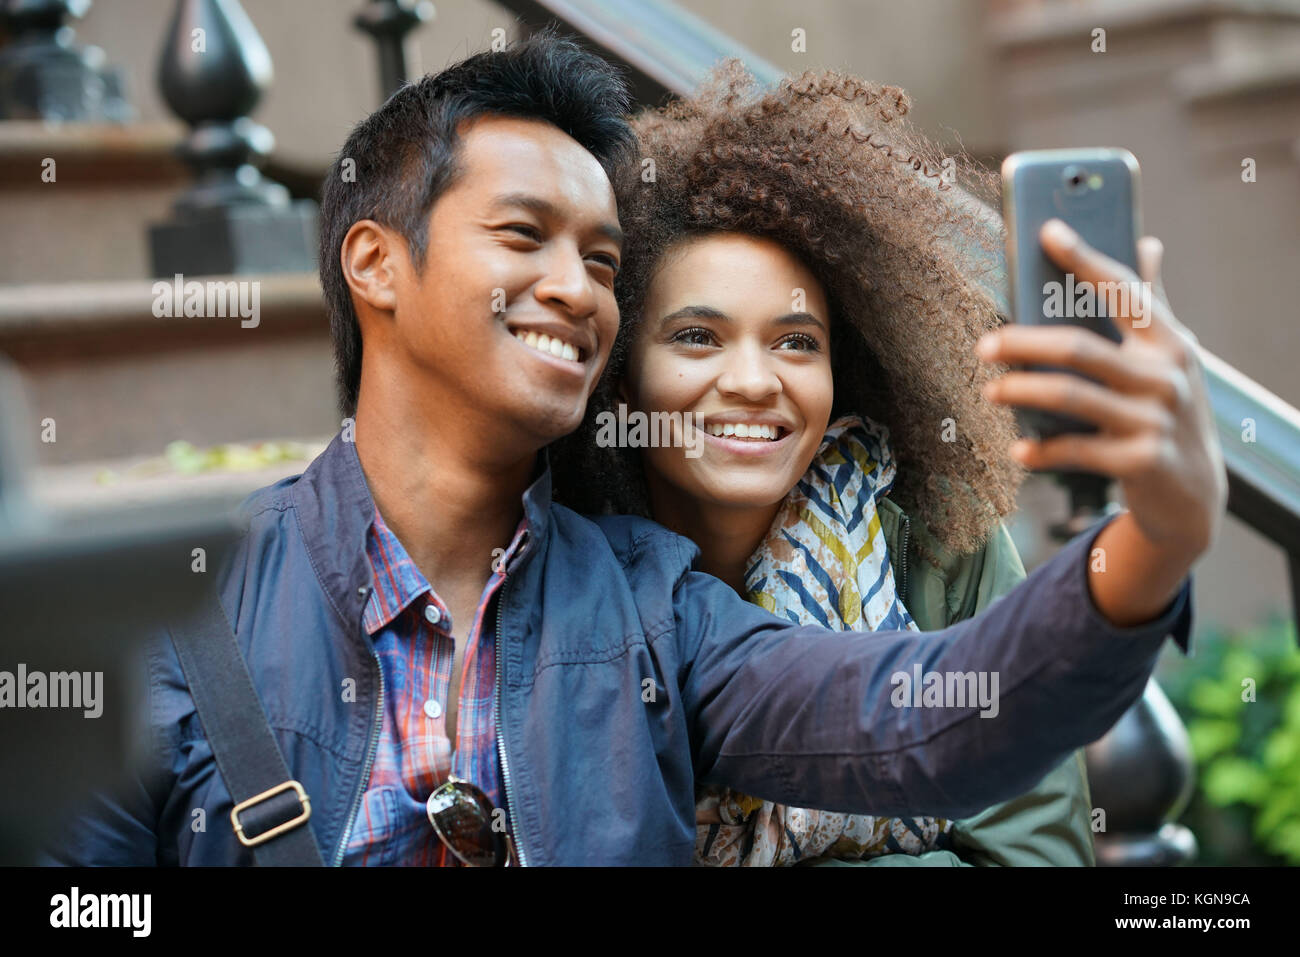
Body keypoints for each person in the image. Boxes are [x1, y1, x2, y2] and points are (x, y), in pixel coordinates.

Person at [42, 32, 1216, 867]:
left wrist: (1155, 539)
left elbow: (917, 722)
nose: (575, 289)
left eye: (603, 261)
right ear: (375, 264)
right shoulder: (179, 613)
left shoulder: (653, 607)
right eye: (523, 235)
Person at [550, 64, 1110, 865]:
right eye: (697, 337)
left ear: (839, 369)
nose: (752, 382)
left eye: (795, 342)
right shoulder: (558, 566)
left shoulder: (943, 545)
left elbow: (1037, 856)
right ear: (620, 374)